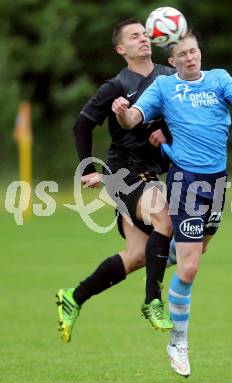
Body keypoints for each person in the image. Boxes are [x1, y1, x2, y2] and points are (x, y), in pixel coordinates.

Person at [112, 31, 232, 377]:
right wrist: (124, 112)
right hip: (185, 181)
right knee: (189, 269)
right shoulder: (164, 88)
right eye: (182, 54)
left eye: (194, 51)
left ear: (200, 52)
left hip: (216, 183)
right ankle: (178, 341)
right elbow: (134, 119)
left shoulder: (219, 79)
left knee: (196, 252)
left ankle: (148, 256)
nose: (190, 57)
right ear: (172, 62)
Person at [56, 18, 177, 344]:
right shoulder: (116, 86)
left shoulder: (168, 77)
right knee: (163, 218)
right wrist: (86, 170)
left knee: (137, 255)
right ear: (121, 49)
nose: (143, 40)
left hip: (152, 172)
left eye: (145, 34)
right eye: (134, 37)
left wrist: (165, 132)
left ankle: (74, 296)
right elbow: (81, 125)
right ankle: (153, 301)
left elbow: (181, 119)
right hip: (124, 174)